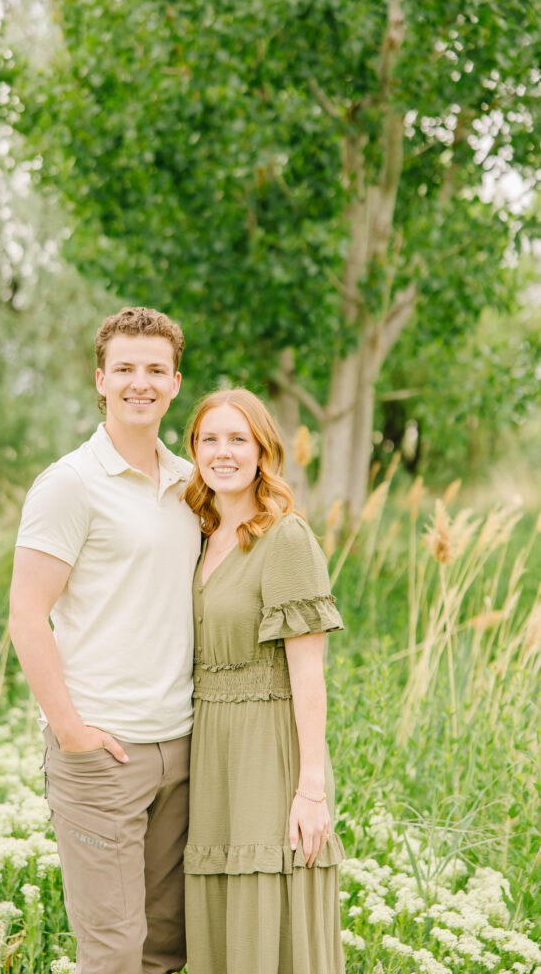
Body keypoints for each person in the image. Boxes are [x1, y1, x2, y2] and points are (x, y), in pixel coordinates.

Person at [8, 307, 200, 974]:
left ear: (175, 382)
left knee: (164, 946)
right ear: (100, 379)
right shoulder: (69, 484)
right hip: (102, 753)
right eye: (124, 369)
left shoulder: (189, 484)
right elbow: (27, 615)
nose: (138, 382)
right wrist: (71, 731)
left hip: (181, 745)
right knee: (113, 951)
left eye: (154, 369)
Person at [182, 388, 346, 974]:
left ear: (262, 450)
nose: (222, 452)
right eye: (209, 439)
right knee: (222, 915)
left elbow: (309, 675)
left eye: (237, 439)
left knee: (270, 912)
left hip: (269, 751)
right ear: (194, 450)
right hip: (211, 752)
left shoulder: (286, 537)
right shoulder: (197, 536)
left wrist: (311, 789)